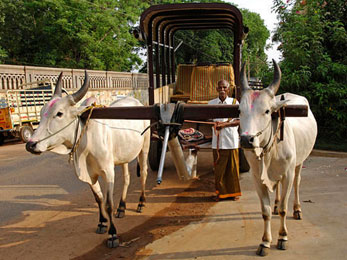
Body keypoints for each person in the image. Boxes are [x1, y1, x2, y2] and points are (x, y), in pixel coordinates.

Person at [208, 79, 241, 201]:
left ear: (229, 89)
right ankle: (220, 194)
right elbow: (207, 119)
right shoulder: (210, 104)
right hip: (217, 141)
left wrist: (224, 125)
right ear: (216, 89)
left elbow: (239, 120)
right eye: (220, 87)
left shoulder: (234, 102)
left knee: (232, 169)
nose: (222, 90)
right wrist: (213, 124)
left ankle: (234, 193)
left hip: (231, 140)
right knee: (219, 170)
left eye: (224, 87)